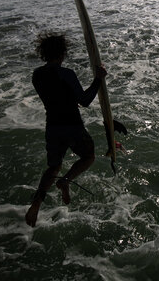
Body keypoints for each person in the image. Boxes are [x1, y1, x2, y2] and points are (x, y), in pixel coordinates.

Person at [25, 33, 107, 227]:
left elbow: (54, 96)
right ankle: (66, 181)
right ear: (63, 53)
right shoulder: (66, 73)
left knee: (53, 167)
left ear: (43, 53)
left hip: (52, 127)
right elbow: (85, 101)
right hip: (72, 126)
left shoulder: (37, 75)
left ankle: (36, 203)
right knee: (88, 156)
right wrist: (98, 79)